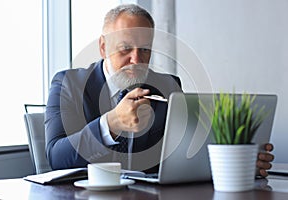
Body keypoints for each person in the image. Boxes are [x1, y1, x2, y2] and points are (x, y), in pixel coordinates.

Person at [45, 4, 274, 176]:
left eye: (145, 49)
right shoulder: (68, 84)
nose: (136, 59)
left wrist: (237, 163)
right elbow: (56, 157)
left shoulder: (168, 85)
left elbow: (190, 152)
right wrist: (111, 124)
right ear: (103, 47)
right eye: (125, 48)